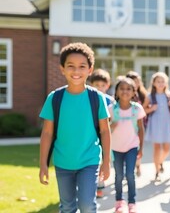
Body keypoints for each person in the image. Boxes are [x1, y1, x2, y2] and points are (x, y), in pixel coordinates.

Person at [39, 42, 111, 213]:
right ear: (62, 69)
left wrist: (106, 162)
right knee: (67, 206)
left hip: (89, 160)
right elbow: (47, 132)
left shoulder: (97, 98)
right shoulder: (54, 98)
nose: (76, 71)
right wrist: (43, 163)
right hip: (63, 162)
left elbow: (105, 131)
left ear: (90, 69)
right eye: (71, 66)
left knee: (87, 205)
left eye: (82, 66)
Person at [109, 77, 146, 213]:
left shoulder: (137, 109)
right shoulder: (111, 109)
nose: (125, 91)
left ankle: (132, 202)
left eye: (128, 89)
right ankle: (119, 201)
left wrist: (141, 148)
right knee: (119, 175)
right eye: (122, 89)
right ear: (117, 92)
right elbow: (105, 129)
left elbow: (141, 129)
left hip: (132, 146)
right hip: (116, 148)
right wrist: (111, 125)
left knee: (130, 174)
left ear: (133, 92)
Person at [144, 72, 170, 181]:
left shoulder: (169, 95)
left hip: (166, 123)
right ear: (153, 83)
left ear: (166, 82)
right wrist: (151, 108)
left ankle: (160, 162)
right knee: (157, 148)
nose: (161, 83)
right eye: (158, 81)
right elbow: (143, 109)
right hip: (155, 122)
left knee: (167, 148)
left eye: (163, 81)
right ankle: (157, 171)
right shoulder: (150, 96)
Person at [90, 68, 115, 198]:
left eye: (102, 85)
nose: (100, 88)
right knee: (94, 158)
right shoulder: (89, 98)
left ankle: (100, 184)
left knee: (104, 158)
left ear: (107, 86)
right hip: (92, 132)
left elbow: (113, 117)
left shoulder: (109, 100)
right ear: (91, 85)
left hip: (105, 132)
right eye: (96, 85)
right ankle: (92, 185)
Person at [126, 71, 148, 177]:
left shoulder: (143, 95)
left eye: (137, 81)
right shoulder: (125, 93)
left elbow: (145, 110)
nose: (136, 83)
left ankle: (138, 164)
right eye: (133, 81)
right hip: (127, 125)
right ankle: (129, 166)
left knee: (138, 146)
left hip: (140, 125)